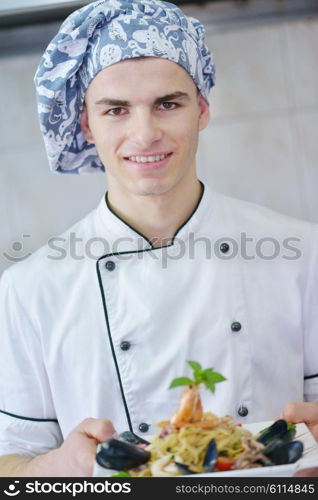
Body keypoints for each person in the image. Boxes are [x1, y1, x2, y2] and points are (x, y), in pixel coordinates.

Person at [0, 0, 317, 477]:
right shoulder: (29, 289)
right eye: (116, 110)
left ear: (202, 110)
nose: (144, 134)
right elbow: (10, 464)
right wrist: (56, 464)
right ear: (86, 123)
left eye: (167, 104)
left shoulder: (303, 253)